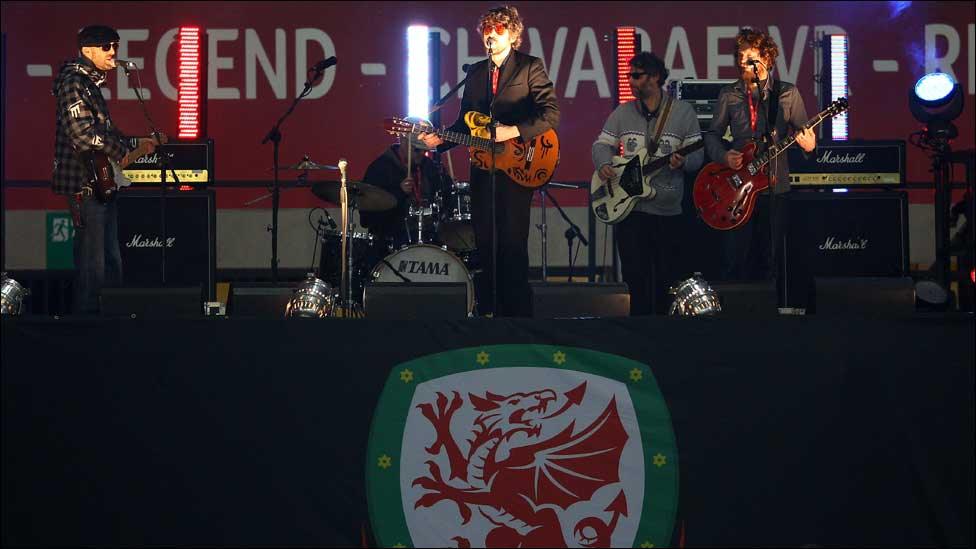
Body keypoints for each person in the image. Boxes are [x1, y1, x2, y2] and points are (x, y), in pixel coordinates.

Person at [418, 5, 560, 317]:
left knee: (512, 243)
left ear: (513, 35)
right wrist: (438, 142)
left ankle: (519, 319)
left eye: (498, 29)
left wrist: (514, 131)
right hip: (483, 168)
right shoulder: (476, 73)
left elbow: (550, 114)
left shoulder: (530, 67)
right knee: (486, 243)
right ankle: (491, 316)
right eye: (488, 29)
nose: (491, 34)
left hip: (519, 164)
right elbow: (464, 125)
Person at [52, 25, 156, 314]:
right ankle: (90, 326)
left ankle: (109, 320)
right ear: (88, 50)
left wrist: (138, 142)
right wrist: (124, 151)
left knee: (109, 259)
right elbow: (83, 134)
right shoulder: (74, 82)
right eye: (107, 46)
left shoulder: (90, 84)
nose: (114, 52)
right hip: (85, 184)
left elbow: (104, 131)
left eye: (116, 46)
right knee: (93, 263)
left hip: (101, 182)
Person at [592, 52, 704, 315]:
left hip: (667, 210)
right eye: (630, 75)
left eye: (636, 76)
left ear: (655, 77)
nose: (630, 81)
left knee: (666, 280)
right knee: (635, 278)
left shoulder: (682, 112)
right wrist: (604, 164)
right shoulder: (623, 112)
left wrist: (682, 163)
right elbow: (601, 144)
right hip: (630, 212)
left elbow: (697, 154)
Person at [705, 28, 816, 293]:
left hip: (774, 187)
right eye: (740, 55)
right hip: (739, 187)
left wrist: (809, 145)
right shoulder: (729, 94)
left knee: (772, 259)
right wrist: (723, 155)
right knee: (735, 258)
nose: (743, 60)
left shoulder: (787, 93)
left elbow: (806, 137)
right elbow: (712, 136)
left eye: (750, 55)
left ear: (766, 58)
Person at [359, 133, 443, 250]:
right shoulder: (380, 168)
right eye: (417, 150)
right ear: (403, 142)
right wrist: (399, 192)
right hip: (391, 241)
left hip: (425, 238)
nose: (422, 154)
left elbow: (442, 196)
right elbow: (366, 218)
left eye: (425, 151)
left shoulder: (428, 166)